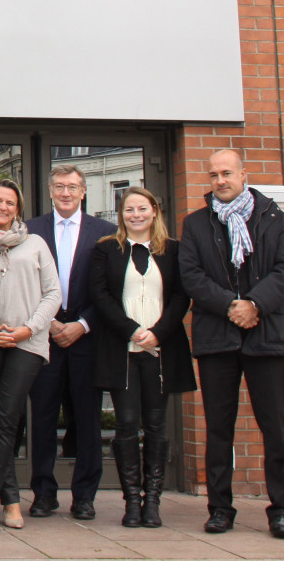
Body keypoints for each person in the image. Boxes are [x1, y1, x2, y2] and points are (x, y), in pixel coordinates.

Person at [179, 148, 284, 539]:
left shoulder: (273, 218)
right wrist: (232, 306)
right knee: (218, 429)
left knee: (275, 428)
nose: (220, 181)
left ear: (243, 173)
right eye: (213, 175)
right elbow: (192, 277)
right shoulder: (195, 223)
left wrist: (254, 304)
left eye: (226, 173)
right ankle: (220, 509)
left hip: (267, 336)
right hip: (218, 338)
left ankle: (281, 510)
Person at [88, 186, 194, 529]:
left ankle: (154, 502)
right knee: (127, 425)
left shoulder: (174, 250)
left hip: (161, 349)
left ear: (154, 211)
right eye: (129, 209)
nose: (135, 215)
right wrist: (132, 330)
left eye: (142, 209)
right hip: (124, 348)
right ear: (122, 215)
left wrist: (158, 333)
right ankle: (132, 501)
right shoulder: (107, 249)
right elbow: (100, 296)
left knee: (158, 427)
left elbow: (181, 296)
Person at [0, 179, 60, 533]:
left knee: (7, 417)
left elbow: (53, 294)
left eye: (10, 202)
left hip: (27, 343)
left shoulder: (36, 244)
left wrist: (29, 329)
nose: (4, 207)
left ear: (17, 209)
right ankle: (11, 499)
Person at [26, 164, 114, 520]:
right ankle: (43, 493)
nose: (66, 193)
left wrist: (83, 324)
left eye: (72, 187)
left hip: (86, 338)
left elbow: (112, 288)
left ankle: (84, 496)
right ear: (50, 190)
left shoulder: (106, 233)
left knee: (87, 419)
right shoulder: (31, 230)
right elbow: (25, 284)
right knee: (43, 418)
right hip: (42, 338)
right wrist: (46, 324)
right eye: (59, 186)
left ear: (83, 192)